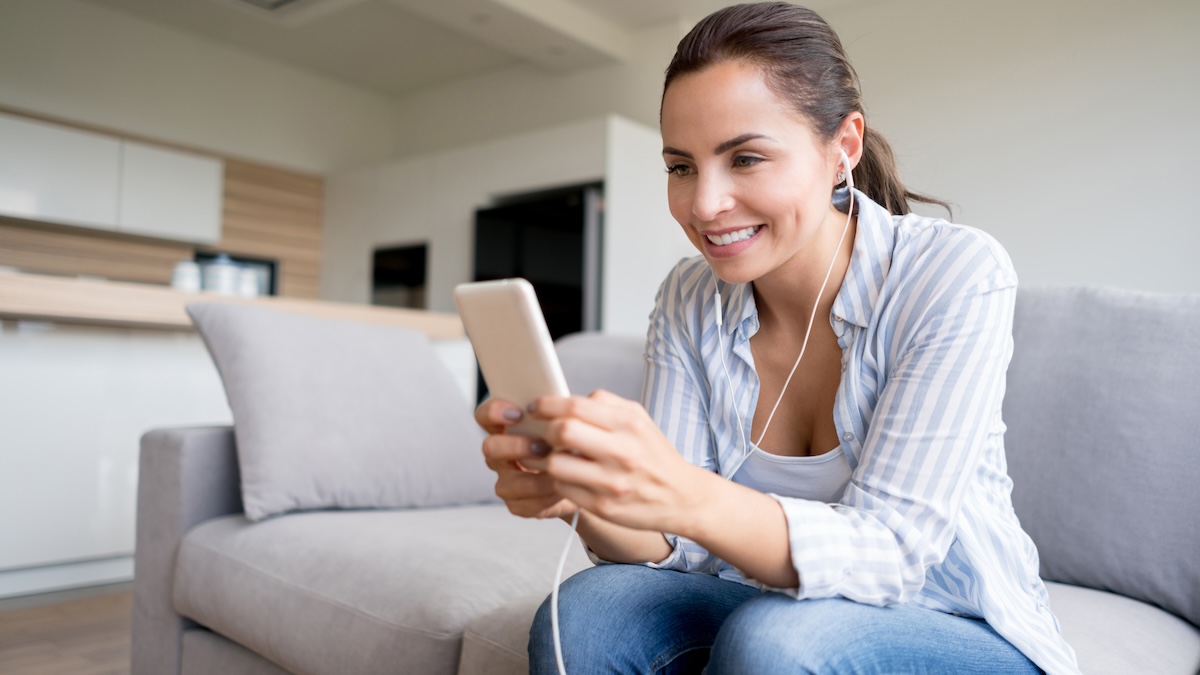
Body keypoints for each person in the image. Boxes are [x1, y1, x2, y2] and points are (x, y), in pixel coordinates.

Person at [474, 3, 1079, 673]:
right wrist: (584, 498)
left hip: (950, 620)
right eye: (681, 167)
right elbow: (677, 544)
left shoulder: (952, 273)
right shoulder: (689, 297)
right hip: (766, 604)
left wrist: (683, 490)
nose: (705, 204)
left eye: (747, 158)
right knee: (588, 613)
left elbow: (895, 552)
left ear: (842, 146)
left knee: (779, 640)